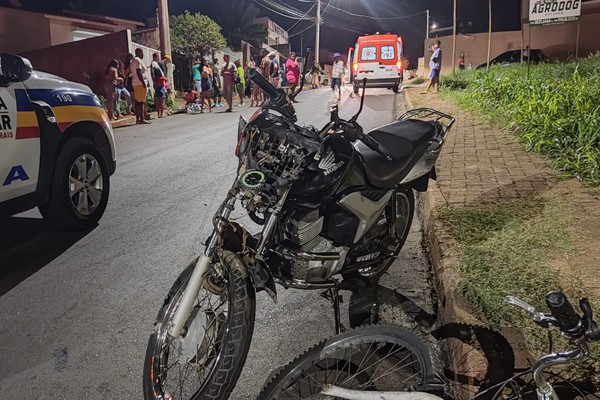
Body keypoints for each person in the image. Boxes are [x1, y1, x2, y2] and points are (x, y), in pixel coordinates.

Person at [131, 48, 150, 124]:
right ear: (138, 53)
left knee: (139, 101)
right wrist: (143, 82)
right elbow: (138, 71)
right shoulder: (137, 60)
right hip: (139, 83)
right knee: (140, 102)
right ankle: (141, 118)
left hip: (137, 83)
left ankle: (139, 118)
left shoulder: (133, 60)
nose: (143, 55)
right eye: (142, 53)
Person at [151, 53, 167, 118]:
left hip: (157, 84)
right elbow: (154, 74)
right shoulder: (155, 64)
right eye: (157, 57)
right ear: (155, 57)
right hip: (160, 84)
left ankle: (159, 114)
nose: (158, 58)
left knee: (158, 99)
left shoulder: (154, 64)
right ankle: (161, 114)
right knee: (162, 99)